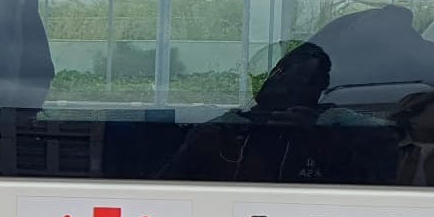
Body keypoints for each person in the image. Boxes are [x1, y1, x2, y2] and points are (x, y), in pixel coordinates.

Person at [161, 43, 395, 184]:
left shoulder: (339, 122)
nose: (280, 85)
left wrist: (320, 139)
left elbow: (390, 147)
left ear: (320, 86)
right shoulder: (226, 127)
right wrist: (203, 144)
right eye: (277, 75)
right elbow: (166, 186)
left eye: (299, 81)